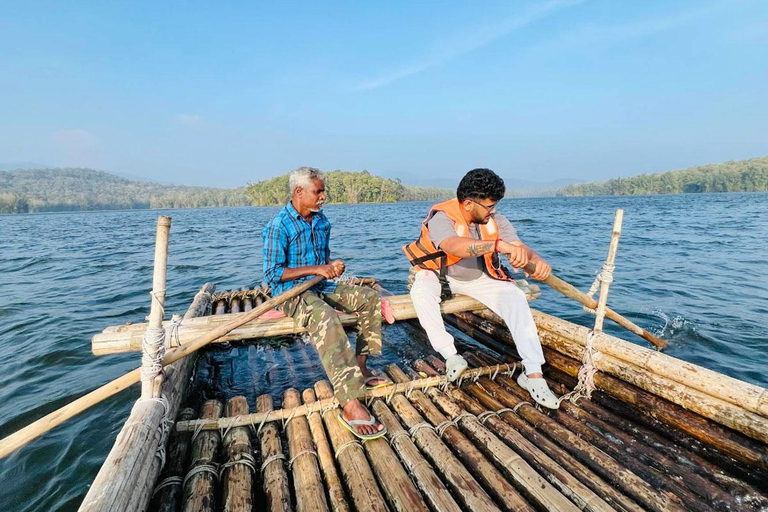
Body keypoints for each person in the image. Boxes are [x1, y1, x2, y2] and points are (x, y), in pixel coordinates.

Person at [403, 168, 559, 408]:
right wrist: (498, 246)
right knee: (421, 290)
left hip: (478, 279)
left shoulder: (495, 220)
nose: (493, 210)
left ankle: (533, 374)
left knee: (515, 296)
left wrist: (536, 261)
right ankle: (450, 355)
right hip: (440, 276)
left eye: (495, 205)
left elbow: (519, 246)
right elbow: (453, 245)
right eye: (489, 206)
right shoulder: (441, 218)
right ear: (468, 204)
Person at [263, 167, 388, 439]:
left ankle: (361, 368)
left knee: (369, 298)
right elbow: (272, 274)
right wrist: (317, 269)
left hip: (321, 286)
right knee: (326, 316)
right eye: (317, 191)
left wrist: (332, 266)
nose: (323, 197)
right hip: (292, 293)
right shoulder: (279, 226)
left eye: (323, 191)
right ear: (299, 192)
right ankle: (350, 402)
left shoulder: (321, 222)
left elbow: (324, 261)